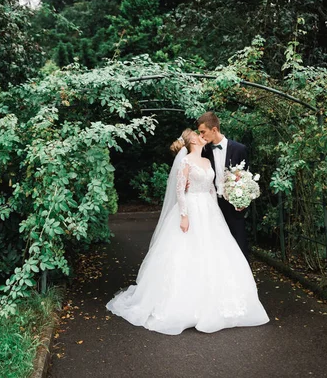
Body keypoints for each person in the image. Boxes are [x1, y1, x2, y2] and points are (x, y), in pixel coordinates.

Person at [106, 129, 269, 335]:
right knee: (186, 253)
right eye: (198, 134)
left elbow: (211, 188)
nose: (202, 136)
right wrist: (184, 215)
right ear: (192, 140)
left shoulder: (207, 162)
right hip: (190, 208)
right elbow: (180, 191)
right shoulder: (186, 162)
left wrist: (226, 202)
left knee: (216, 253)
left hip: (209, 210)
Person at [197, 112, 251, 262]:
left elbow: (247, 177)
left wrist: (243, 201)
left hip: (234, 204)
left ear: (214, 129)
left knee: (239, 243)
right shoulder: (204, 151)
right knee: (216, 244)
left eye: (203, 132)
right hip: (212, 204)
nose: (201, 136)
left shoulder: (239, 149)